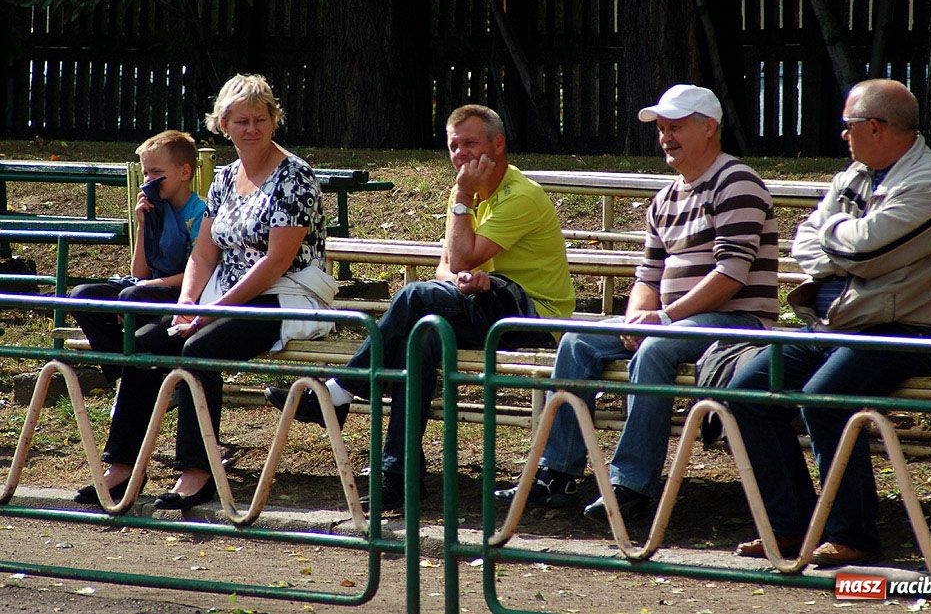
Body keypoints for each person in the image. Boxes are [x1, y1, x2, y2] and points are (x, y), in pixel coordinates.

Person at [265, 104, 575, 511]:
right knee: (422, 335)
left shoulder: (520, 197)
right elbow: (448, 265)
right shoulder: (462, 191)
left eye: (471, 143)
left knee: (415, 297)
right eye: (453, 145)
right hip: (486, 305)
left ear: (498, 145)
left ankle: (340, 390)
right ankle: (399, 475)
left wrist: (463, 217)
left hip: (535, 318)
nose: (460, 154)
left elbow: (460, 259)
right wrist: (460, 279)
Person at [496, 85, 779, 524]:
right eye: (662, 129)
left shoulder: (737, 182)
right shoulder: (665, 196)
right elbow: (647, 274)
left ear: (710, 128)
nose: (666, 136)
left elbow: (731, 275)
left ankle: (631, 484)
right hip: (678, 319)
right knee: (577, 341)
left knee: (655, 348)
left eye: (676, 127)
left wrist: (662, 319)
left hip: (737, 321)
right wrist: (636, 318)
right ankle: (558, 472)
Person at [728, 79, 931, 567]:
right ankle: (792, 527)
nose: (843, 136)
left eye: (849, 126)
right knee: (747, 393)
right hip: (837, 325)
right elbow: (806, 241)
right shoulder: (856, 174)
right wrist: (844, 247)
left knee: (825, 400)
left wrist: (837, 242)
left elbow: (869, 248)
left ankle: (853, 534)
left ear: (876, 127)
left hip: (907, 329)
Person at [74, 74, 337, 509]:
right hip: (226, 291)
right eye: (240, 120)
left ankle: (198, 472)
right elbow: (203, 250)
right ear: (223, 125)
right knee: (142, 344)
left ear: (274, 120)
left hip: (289, 293)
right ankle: (121, 466)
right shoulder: (226, 177)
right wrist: (188, 303)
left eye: (260, 118)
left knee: (198, 347)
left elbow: (276, 262)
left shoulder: (295, 175)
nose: (251, 128)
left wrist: (211, 310)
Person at [69, 130, 206, 386]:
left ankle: (149, 376)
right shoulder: (154, 209)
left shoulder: (200, 213)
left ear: (184, 172)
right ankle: (125, 376)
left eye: (156, 173)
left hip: (184, 292)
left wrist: (147, 286)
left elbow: (197, 271)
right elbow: (140, 273)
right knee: (82, 295)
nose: (148, 180)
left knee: (131, 298)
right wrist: (142, 225)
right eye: (145, 173)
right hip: (145, 289)